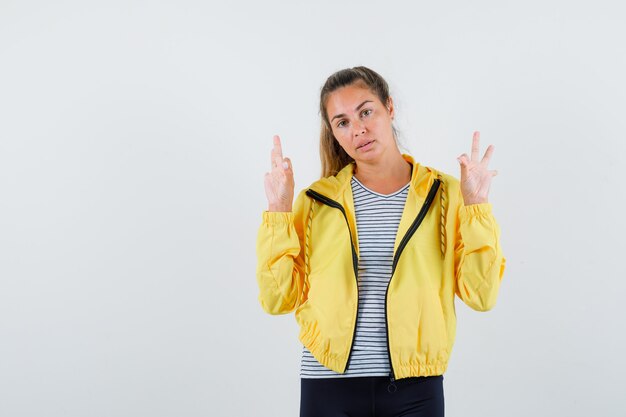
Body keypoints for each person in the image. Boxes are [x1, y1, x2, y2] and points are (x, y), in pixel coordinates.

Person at [256, 66, 506, 417]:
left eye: (366, 111)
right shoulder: (315, 202)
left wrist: (477, 206)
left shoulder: (446, 194)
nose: (358, 129)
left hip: (416, 388)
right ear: (334, 133)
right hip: (327, 385)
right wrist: (278, 210)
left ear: (390, 107)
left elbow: (481, 295)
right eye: (342, 122)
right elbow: (277, 298)